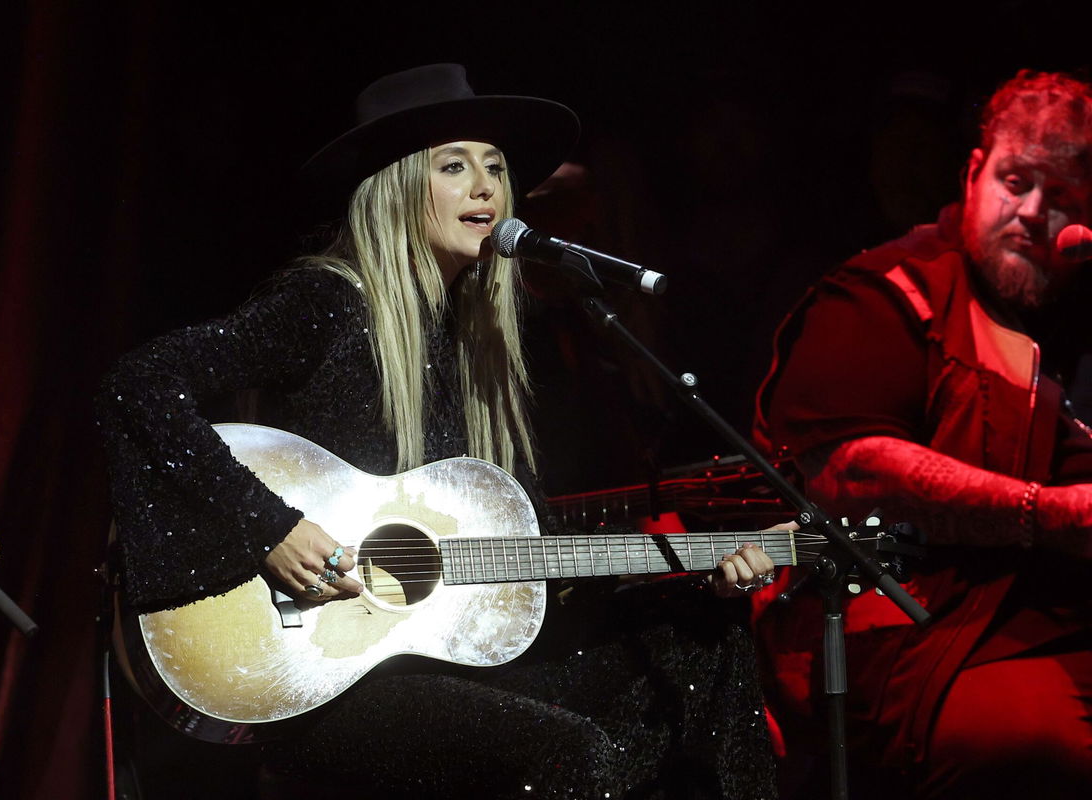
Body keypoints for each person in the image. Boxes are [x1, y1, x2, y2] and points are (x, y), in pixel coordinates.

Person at [97, 64, 778, 799]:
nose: (486, 186)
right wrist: (271, 527)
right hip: (327, 682)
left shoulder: (477, 347)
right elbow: (138, 384)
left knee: (701, 642)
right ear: (397, 188)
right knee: (569, 752)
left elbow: (522, 567)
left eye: (495, 168)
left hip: (438, 667)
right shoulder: (327, 303)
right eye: (455, 166)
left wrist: (691, 568)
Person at [752, 69, 1092, 798]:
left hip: (1057, 621)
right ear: (974, 173)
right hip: (929, 643)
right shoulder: (885, 292)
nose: (1033, 212)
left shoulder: (1077, 305)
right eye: (1015, 181)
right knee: (1034, 742)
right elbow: (850, 473)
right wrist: (1055, 515)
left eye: (1060, 196)